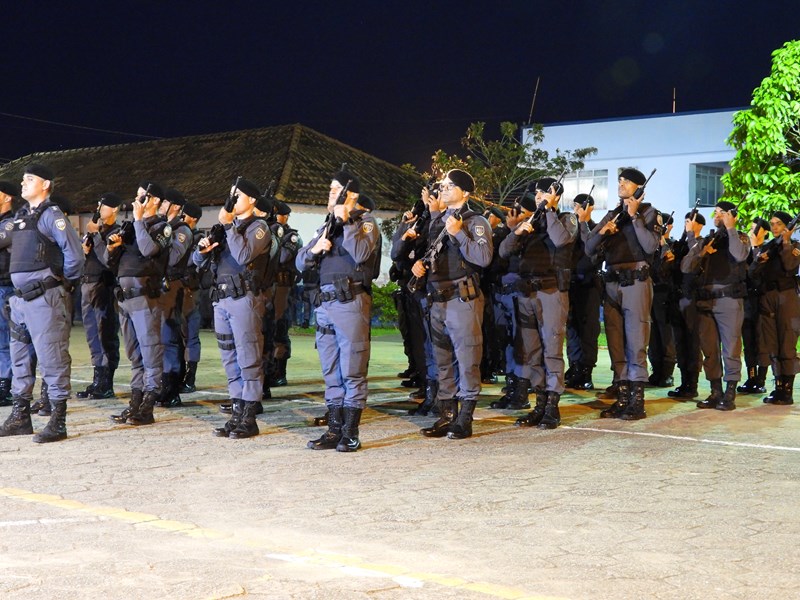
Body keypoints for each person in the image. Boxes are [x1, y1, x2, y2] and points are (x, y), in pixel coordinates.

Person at [296, 167, 379, 451]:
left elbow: (362, 254)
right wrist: (314, 250)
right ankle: (333, 430)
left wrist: (347, 223)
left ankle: (350, 432)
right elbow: (299, 261)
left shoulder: (365, 223)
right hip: (325, 305)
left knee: (352, 369)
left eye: (335, 190)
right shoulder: (326, 226)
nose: (330, 194)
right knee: (331, 370)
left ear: (350, 195)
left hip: (349, 302)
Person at [0, 163, 84, 443]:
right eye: (22, 179)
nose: (23, 183)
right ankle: (21, 417)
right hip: (21, 301)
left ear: (45, 184)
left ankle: (58, 420)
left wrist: (63, 284)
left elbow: (74, 255)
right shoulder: (22, 217)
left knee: (52, 357)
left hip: (45, 298)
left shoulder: (51, 215)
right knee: (20, 359)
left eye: (29, 179)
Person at [411, 169, 493, 439]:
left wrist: (458, 233)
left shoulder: (476, 221)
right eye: (442, 185)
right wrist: (419, 266)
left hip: (462, 299)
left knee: (467, 358)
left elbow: (483, 257)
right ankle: (446, 415)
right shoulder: (437, 222)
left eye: (449, 186)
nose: (443, 189)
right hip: (437, 300)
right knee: (442, 360)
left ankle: (465, 418)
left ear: (465, 192)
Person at [195, 178, 271, 439]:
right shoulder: (225, 228)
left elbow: (243, 256)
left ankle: (249, 417)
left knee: (248, 358)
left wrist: (229, 225)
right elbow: (197, 261)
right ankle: (237, 413)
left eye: (237, 196)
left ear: (251, 200)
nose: (233, 200)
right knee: (229, 359)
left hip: (244, 299)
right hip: (222, 299)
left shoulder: (258, 227)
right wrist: (202, 251)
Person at [499, 178, 577, 429]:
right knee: (531, 351)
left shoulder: (565, 219)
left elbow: (562, 240)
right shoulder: (529, 222)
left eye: (543, 192)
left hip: (551, 292)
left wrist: (550, 210)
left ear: (555, 196)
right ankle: (540, 403)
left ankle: (552, 406)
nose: (538, 196)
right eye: (536, 193)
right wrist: (517, 232)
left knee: (552, 349)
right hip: (526, 294)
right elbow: (503, 251)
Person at [585, 168, 660, 420]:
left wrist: (634, 216)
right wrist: (604, 231)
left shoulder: (649, 213)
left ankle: (637, 400)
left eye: (626, 181)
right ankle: (623, 395)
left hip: (636, 281)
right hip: (612, 283)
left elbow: (650, 246)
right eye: (619, 180)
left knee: (636, 340)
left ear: (639, 188)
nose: (621, 184)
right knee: (616, 342)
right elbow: (589, 247)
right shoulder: (612, 214)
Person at [105, 182, 171, 426]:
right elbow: (110, 263)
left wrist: (139, 221)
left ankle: (148, 406)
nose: (139, 198)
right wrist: (112, 248)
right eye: (138, 194)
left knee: (150, 351)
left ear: (155, 201)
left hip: (146, 297)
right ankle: (135, 402)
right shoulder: (132, 227)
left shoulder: (161, 227)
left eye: (144, 195)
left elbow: (148, 249)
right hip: (125, 299)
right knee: (134, 355)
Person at [680, 200, 750, 411]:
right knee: (709, 349)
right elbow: (686, 267)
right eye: (716, 213)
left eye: (721, 213)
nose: (716, 216)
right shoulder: (708, 240)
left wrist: (731, 228)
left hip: (728, 299)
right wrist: (698, 247)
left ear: (730, 215)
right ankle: (715, 390)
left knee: (731, 348)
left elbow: (740, 254)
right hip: (705, 300)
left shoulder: (740, 237)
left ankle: (730, 392)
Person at [750, 210, 800, 405]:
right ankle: (778, 387)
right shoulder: (769, 246)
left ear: (789, 227)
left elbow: (789, 266)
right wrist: (758, 251)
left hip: (786, 297)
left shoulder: (794, 247)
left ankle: (787, 391)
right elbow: (753, 272)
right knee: (771, 343)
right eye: (772, 223)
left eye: (779, 223)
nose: (774, 227)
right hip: (768, 297)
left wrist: (786, 242)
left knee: (787, 342)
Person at [76, 192, 122, 401]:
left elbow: (108, 260)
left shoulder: (117, 232)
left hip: (104, 286)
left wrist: (96, 236)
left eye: (103, 206)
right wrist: (85, 250)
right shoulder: (99, 231)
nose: (99, 209)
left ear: (114, 209)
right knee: (92, 335)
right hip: (87, 283)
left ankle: (107, 383)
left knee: (106, 334)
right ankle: (98, 379)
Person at [157, 188, 193, 408]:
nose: (161, 204)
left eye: (166, 202)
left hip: (172, 285)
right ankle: (164, 382)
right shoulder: (163, 227)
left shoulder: (182, 231)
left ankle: (172, 386)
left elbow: (172, 258)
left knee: (169, 335)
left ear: (176, 207)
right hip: (158, 286)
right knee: (160, 337)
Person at [666, 211, 706, 399]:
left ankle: (693, 383)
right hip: (676, 297)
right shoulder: (680, 244)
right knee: (680, 342)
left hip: (692, 298)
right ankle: (684, 381)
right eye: (685, 221)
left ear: (699, 225)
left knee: (692, 341)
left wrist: (690, 235)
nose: (687, 224)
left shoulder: (702, 243)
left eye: (690, 222)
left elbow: (694, 258)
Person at [565, 192, 602, 391]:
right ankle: (575, 367)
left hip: (588, 285)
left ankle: (586, 371)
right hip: (572, 284)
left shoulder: (596, 229)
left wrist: (583, 224)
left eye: (578, 206)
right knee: (572, 329)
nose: (575, 210)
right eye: (575, 206)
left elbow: (594, 255)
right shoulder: (571, 230)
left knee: (588, 330)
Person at [178, 201, 204, 393]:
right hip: (177, 290)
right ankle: (177, 374)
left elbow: (190, 262)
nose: (181, 217)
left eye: (184, 215)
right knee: (175, 335)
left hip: (191, 291)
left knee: (190, 335)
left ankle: (190, 376)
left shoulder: (198, 238)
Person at [0, 181, 19, 406]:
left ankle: (7, 385)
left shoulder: (12, 223)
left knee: (8, 339)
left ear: (7, 198)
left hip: (6, 286)